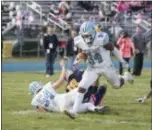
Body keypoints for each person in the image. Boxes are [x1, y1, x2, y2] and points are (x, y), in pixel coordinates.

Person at [64, 21, 133, 119]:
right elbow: (82, 52)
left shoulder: (101, 38)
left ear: (93, 33)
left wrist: (122, 61)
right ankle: (74, 111)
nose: (86, 38)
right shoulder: (79, 41)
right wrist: (79, 58)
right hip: (92, 68)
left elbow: (113, 49)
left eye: (88, 35)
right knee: (82, 86)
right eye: (84, 36)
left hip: (106, 66)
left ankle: (126, 77)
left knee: (117, 85)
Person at [29, 59, 107, 113]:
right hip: (64, 98)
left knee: (86, 106)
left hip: (62, 109)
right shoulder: (46, 87)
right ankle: (95, 107)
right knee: (81, 88)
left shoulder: (35, 101)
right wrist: (63, 66)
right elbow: (60, 80)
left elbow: (43, 111)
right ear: (39, 86)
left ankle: (94, 107)